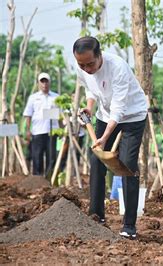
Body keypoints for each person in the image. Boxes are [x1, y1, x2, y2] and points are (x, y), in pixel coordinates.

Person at [73, 36, 147, 239]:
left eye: (90, 64)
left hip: (132, 115)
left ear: (100, 55)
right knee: (96, 161)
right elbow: (91, 88)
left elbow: (119, 108)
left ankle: (129, 226)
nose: (87, 68)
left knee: (127, 166)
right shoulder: (82, 67)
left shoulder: (118, 68)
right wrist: (89, 107)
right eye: (82, 64)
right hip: (105, 116)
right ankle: (97, 216)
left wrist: (104, 137)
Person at [23, 72, 60, 176]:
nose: (44, 84)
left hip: (52, 132)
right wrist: (28, 130)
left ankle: (49, 179)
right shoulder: (33, 98)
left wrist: (62, 130)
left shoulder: (56, 97)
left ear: (49, 83)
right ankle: (37, 179)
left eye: (46, 81)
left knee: (51, 157)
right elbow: (28, 114)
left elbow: (61, 115)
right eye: (42, 81)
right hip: (37, 131)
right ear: (38, 83)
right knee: (37, 156)